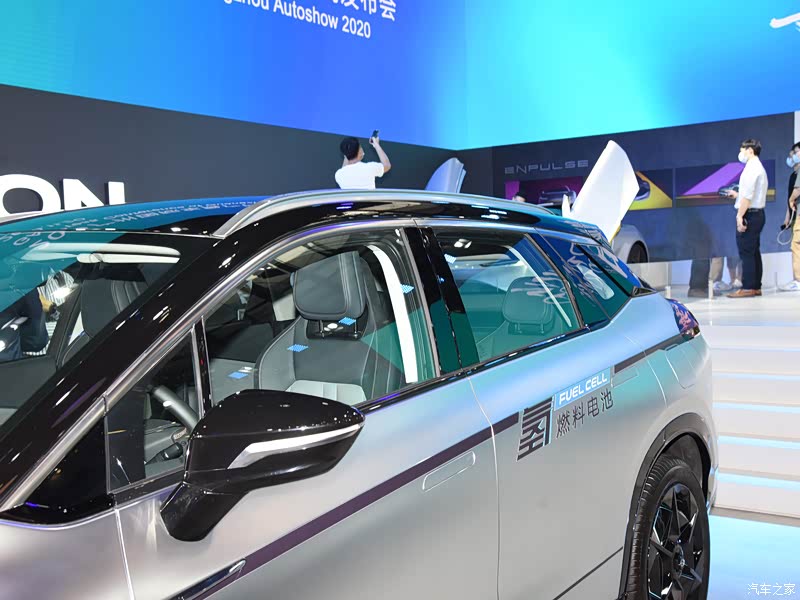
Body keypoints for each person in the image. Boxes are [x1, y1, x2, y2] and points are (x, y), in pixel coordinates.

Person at [726, 139, 768, 298]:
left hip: (750, 214)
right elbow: (749, 194)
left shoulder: (752, 169)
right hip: (757, 213)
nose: (740, 153)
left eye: (742, 150)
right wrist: (738, 196)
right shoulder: (758, 167)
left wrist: (739, 216)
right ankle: (755, 286)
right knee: (753, 251)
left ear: (750, 150)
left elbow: (748, 197)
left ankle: (748, 287)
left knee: (746, 251)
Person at [778, 141, 800, 292]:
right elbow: (790, 200)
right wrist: (788, 218)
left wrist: (792, 199)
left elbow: (796, 192)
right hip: (796, 215)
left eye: (795, 152)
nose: (792, 156)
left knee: (797, 246)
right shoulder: (794, 174)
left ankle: (798, 280)